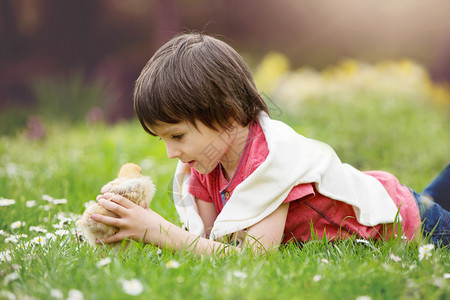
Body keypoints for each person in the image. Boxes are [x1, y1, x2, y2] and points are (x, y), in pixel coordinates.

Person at [91, 33, 450, 255]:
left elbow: (253, 258)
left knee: (433, 210)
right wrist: (124, 225)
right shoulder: (205, 165)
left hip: (408, 220)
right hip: (387, 192)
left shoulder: (272, 163)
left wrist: (156, 230)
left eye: (178, 136)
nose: (171, 153)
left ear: (228, 115)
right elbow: (216, 244)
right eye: (164, 139)